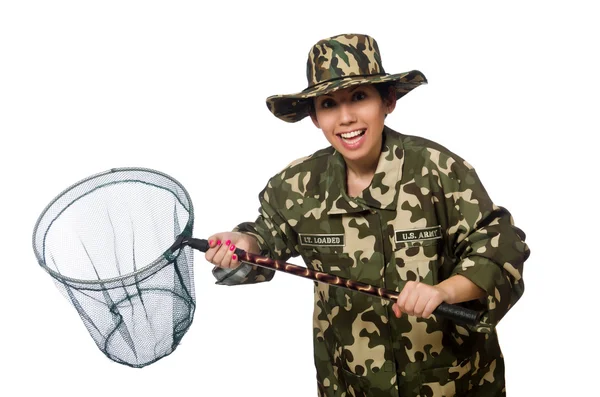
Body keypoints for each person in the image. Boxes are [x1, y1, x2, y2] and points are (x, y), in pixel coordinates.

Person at [204, 33, 529, 397]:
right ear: (315, 116)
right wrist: (241, 243)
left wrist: (443, 291)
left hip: (454, 384)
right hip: (350, 385)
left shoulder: (439, 170)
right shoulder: (294, 186)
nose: (345, 118)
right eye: (328, 104)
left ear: (387, 101)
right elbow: (264, 241)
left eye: (359, 97)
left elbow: (502, 247)